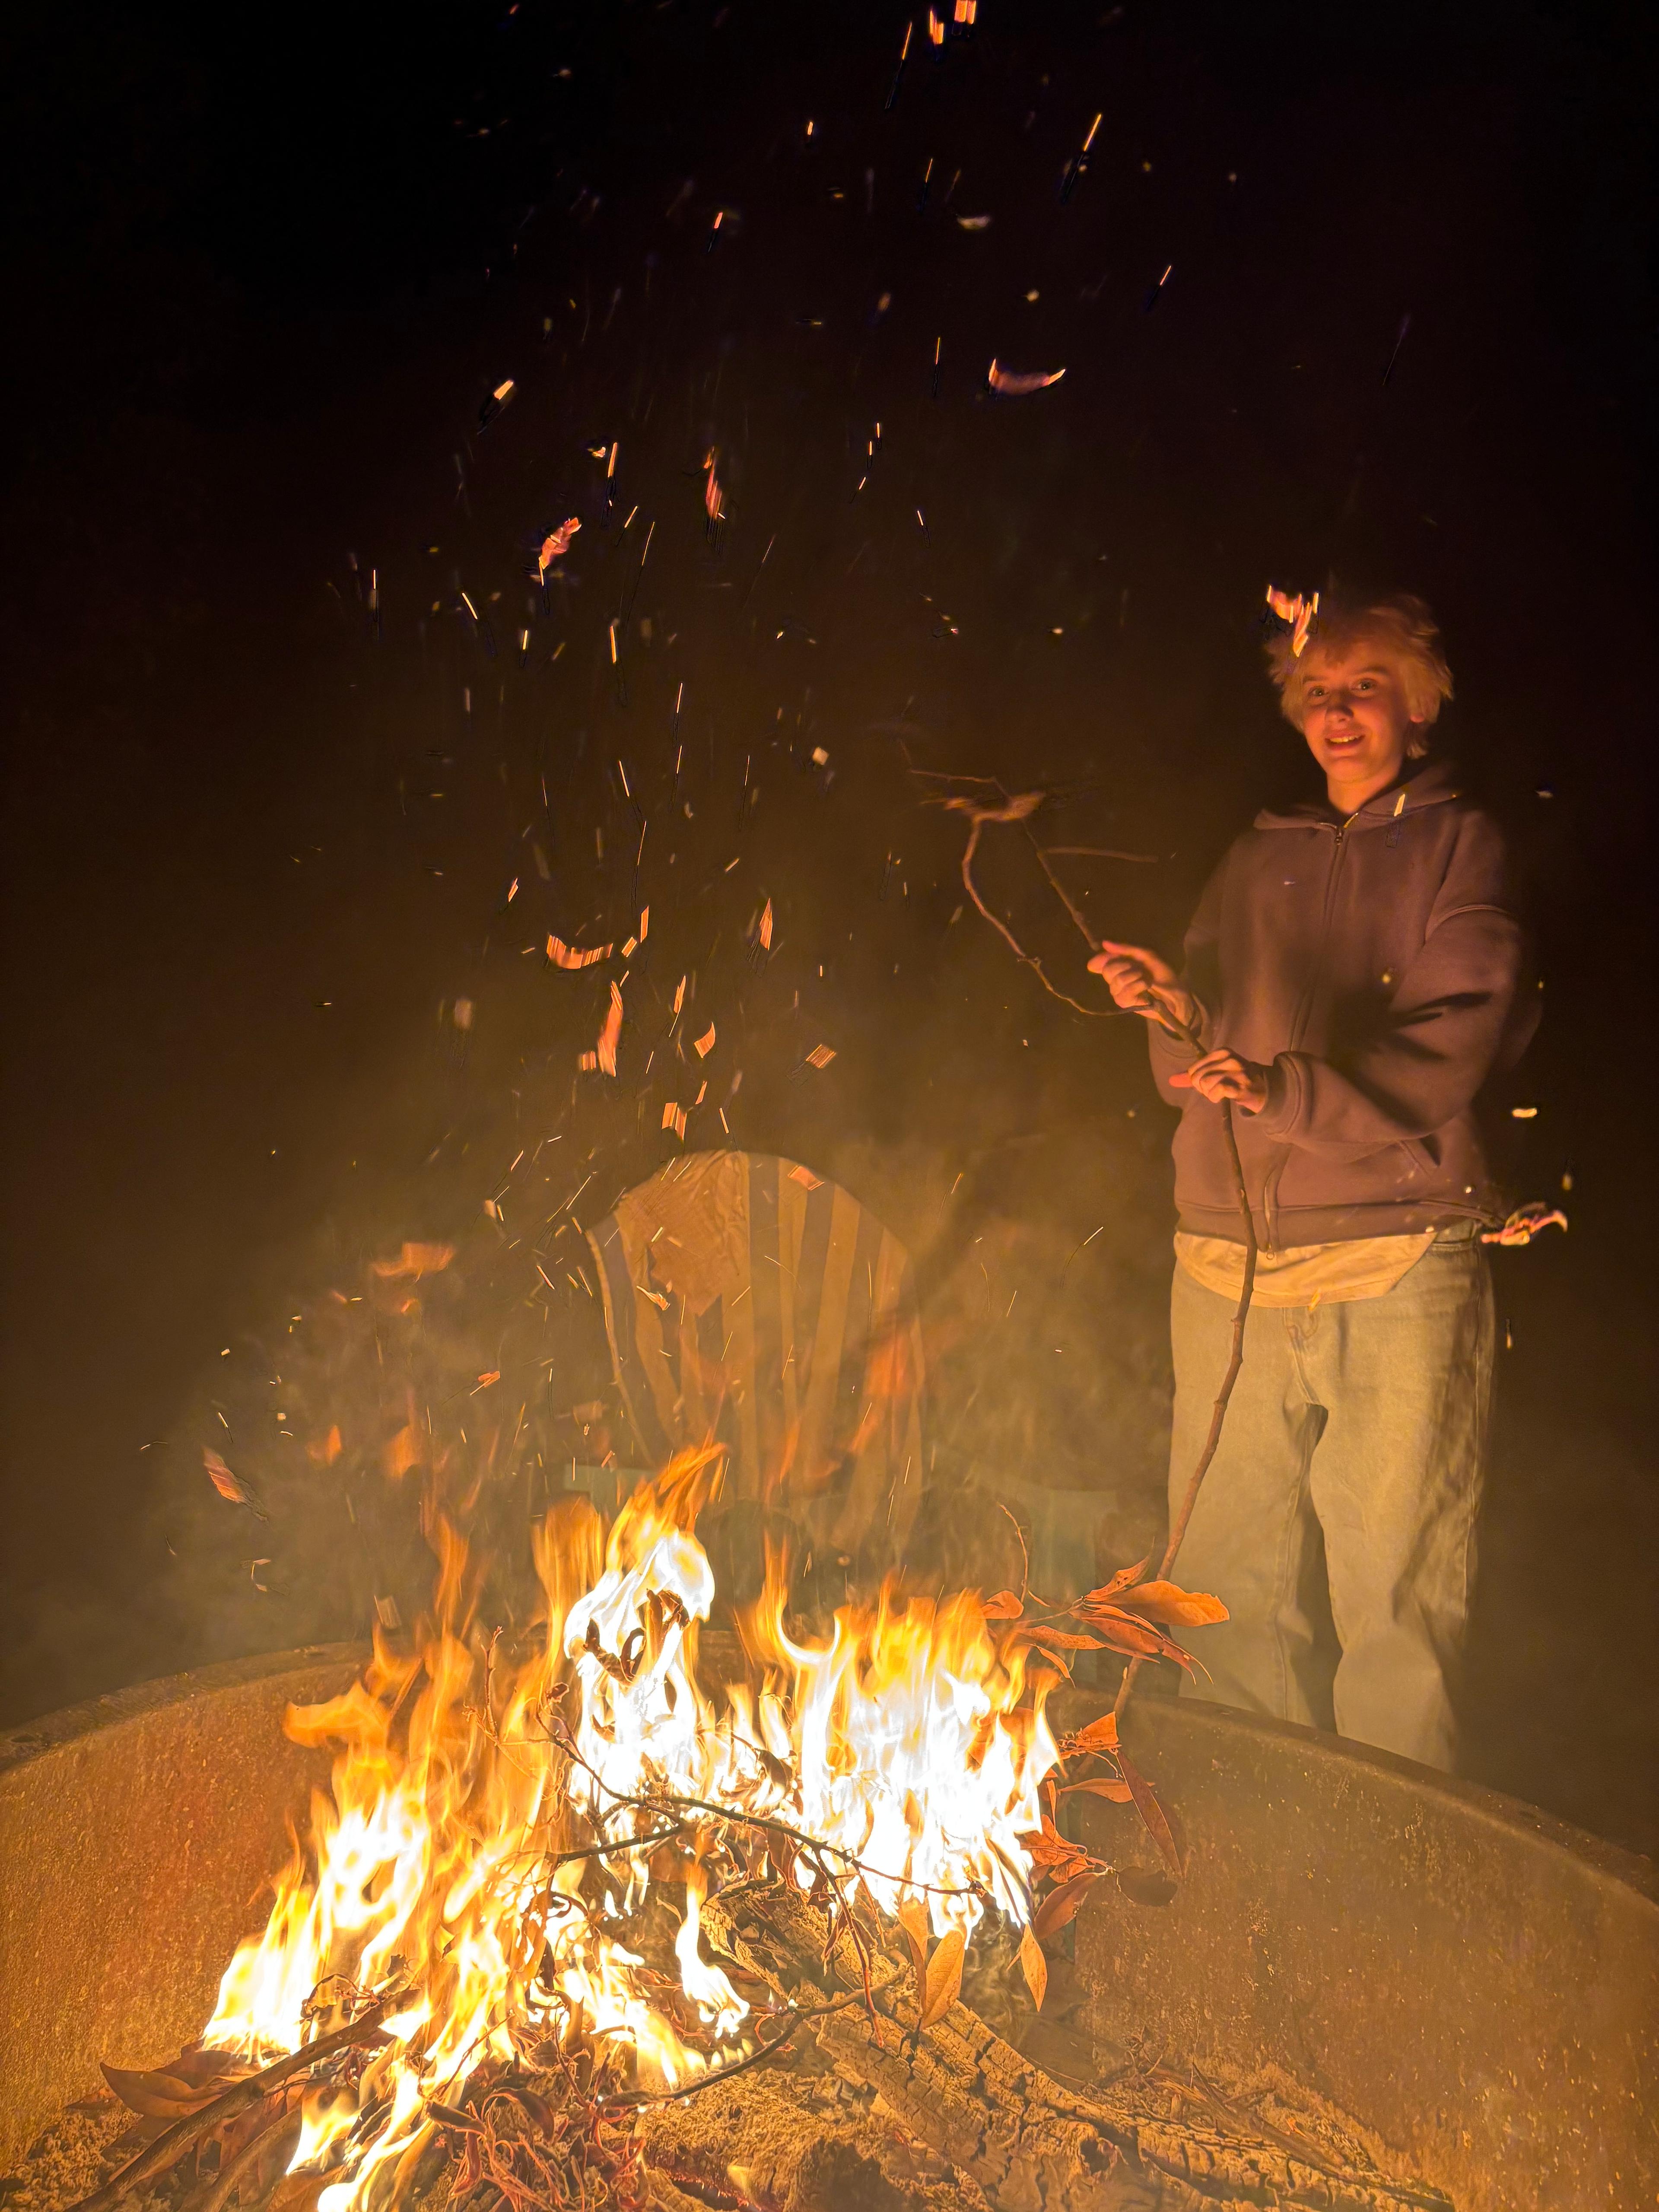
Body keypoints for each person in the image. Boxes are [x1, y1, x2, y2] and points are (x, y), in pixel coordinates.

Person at [1090, 590, 1538, 1769]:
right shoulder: (1256, 858)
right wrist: (1170, 1010)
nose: (1340, 714)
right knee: (1224, 1591)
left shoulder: (1461, 846)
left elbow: (1447, 1048)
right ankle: (1257, 1868)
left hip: (1394, 1260)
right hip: (1227, 1262)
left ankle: (1388, 1895)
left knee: (1392, 1601)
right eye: (1320, 693)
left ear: (1421, 705)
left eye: (1368, 687)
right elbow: (1201, 1063)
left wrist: (1287, 1093)